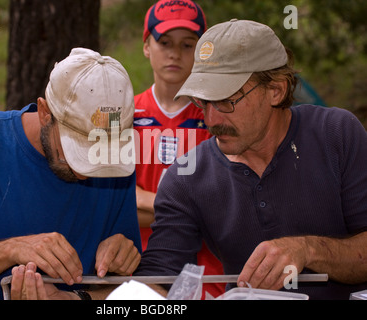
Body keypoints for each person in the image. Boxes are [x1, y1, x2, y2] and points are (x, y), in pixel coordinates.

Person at [134, 19, 367, 300]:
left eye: (226, 101)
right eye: (203, 102)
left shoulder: (336, 134)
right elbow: (157, 280)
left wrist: (309, 249)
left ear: (276, 90)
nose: (211, 119)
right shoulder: (186, 176)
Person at [0, 48, 141, 300]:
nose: (86, 170)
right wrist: (8, 250)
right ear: (45, 113)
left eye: (101, 152)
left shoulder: (116, 167)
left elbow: (131, 293)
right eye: (77, 149)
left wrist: (104, 279)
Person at [134, 0, 225, 298]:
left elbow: (222, 206)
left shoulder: (218, 117)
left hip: (208, 273)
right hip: (136, 264)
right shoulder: (124, 114)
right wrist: (183, 207)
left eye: (188, 44)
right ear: (146, 45)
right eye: (164, 42)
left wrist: (147, 205)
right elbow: (116, 200)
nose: (175, 53)